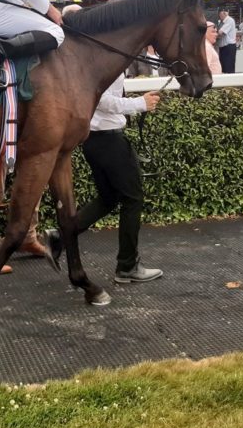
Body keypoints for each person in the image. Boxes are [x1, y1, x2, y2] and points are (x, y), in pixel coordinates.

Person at [44, 74, 163, 283]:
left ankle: (61, 237)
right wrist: (140, 103)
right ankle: (127, 266)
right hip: (110, 141)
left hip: (95, 140)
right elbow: (102, 99)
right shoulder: (109, 61)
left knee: (108, 198)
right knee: (133, 199)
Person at [216, 9, 237, 73]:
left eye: (220, 14)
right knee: (223, 68)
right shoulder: (221, 22)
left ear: (224, 13)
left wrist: (213, 34)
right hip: (222, 47)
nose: (219, 16)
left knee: (229, 67)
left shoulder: (229, 20)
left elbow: (221, 32)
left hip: (229, 47)